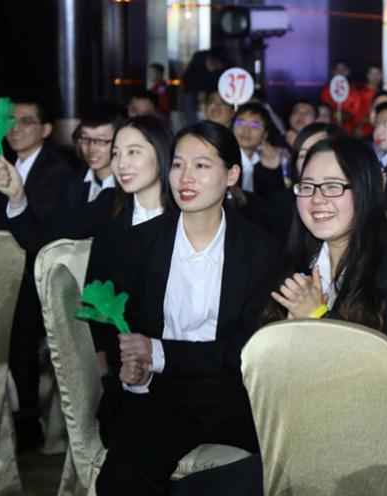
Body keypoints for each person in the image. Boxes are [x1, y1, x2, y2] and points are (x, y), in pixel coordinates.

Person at [95, 121, 280, 495]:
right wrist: (131, 369)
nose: (185, 177)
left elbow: (246, 350)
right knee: (121, 479)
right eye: (178, 164)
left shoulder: (261, 251)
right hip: (160, 394)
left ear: (232, 175)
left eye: (201, 165)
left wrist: (158, 351)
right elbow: (114, 326)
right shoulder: (140, 242)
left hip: (237, 394)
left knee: (288, 469)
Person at [264, 133, 387, 478]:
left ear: (365, 191)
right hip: (303, 436)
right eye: (308, 186)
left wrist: (317, 317)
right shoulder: (293, 263)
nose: (317, 199)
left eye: (333, 186)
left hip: (384, 446)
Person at [0, 94, 73, 451]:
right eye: (11, 121)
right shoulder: (4, 163)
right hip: (8, 268)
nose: (15, 129)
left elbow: (36, 232)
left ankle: (28, 426)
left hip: (41, 275)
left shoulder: (56, 169)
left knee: (19, 338)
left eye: (26, 121)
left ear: (46, 129)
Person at [85, 117, 175, 435]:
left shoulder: (188, 220)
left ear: (162, 154)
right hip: (123, 371)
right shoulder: (110, 216)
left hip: (179, 366)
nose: (121, 163)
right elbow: (95, 299)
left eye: (134, 152)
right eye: (117, 153)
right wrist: (108, 372)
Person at [0, 106, 124, 253]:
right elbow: (41, 236)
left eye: (101, 141)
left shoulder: (126, 190)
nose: (91, 148)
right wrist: (17, 197)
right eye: (85, 139)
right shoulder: (73, 181)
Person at [265, 122, 341, 244]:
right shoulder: (279, 205)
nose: (308, 161)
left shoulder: (349, 195)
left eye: (316, 152)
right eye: (302, 154)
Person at [231, 102, 285, 199]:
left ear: (265, 134)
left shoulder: (266, 161)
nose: (246, 130)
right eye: (240, 123)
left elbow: (276, 202)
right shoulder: (225, 159)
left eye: (255, 125)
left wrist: (272, 170)